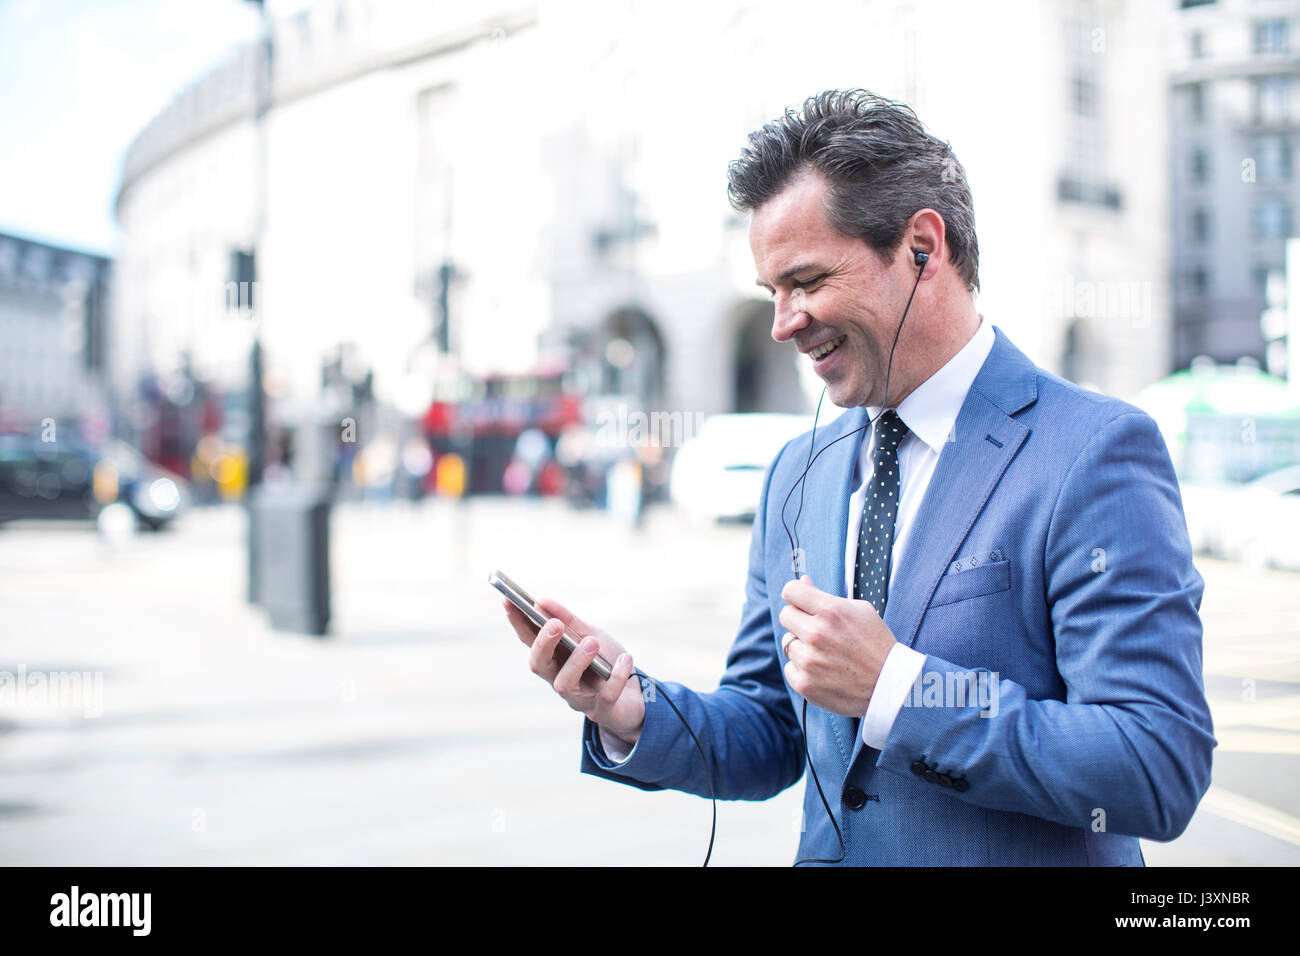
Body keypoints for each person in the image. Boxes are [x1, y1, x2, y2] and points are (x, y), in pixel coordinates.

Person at [502, 89, 1215, 865]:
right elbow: (774, 727)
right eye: (771, 293)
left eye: (806, 282)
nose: (783, 323)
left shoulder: (1094, 451)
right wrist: (630, 707)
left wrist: (900, 689)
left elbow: (1155, 765)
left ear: (922, 248)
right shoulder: (797, 473)